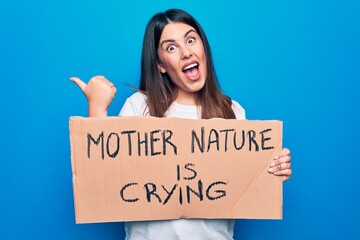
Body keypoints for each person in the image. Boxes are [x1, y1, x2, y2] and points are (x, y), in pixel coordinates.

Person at [70, 8, 292, 240]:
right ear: (160, 65)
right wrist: (97, 109)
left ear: (203, 48)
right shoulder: (139, 106)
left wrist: (273, 170)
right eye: (171, 47)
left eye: (190, 40)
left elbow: (246, 184)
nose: (186, 52)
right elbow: (102, 179)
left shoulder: (233, 111)